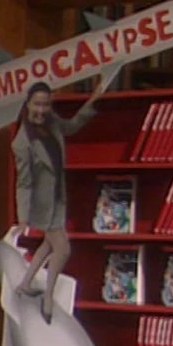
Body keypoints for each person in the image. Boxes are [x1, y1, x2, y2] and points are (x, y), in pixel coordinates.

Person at [13, 77, 111, 324]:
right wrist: (23, 217)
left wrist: (93, 99)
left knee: (48, 245)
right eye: (37, 104)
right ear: (27, 104)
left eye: (46, 104)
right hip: (41, 205)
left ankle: (25, 283)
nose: (41, 110)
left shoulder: (53, 122)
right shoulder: (22, 142)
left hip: (58, 197)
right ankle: (48, 297)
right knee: (63, 249)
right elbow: (24, 183)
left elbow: (72, 126)